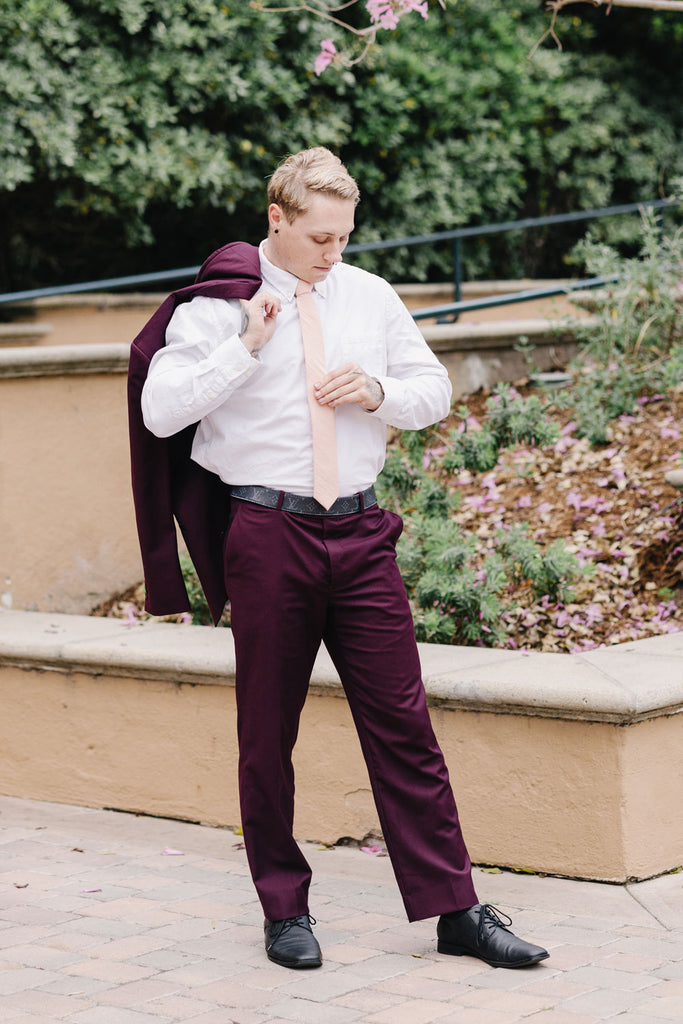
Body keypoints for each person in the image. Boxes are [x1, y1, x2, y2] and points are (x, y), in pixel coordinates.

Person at [136, 146, 549, 972]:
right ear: (276, 220)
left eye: (344, 236)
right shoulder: (223, 305)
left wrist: (378, 392)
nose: (333, 253)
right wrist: (245, 345)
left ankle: (455, 910)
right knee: (267, 734)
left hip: (361, 536)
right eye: (319, 237)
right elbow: (158, 411)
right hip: (266, 531)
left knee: (405, 726)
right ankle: (283, 909)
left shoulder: (369, 295)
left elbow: (431, 391)